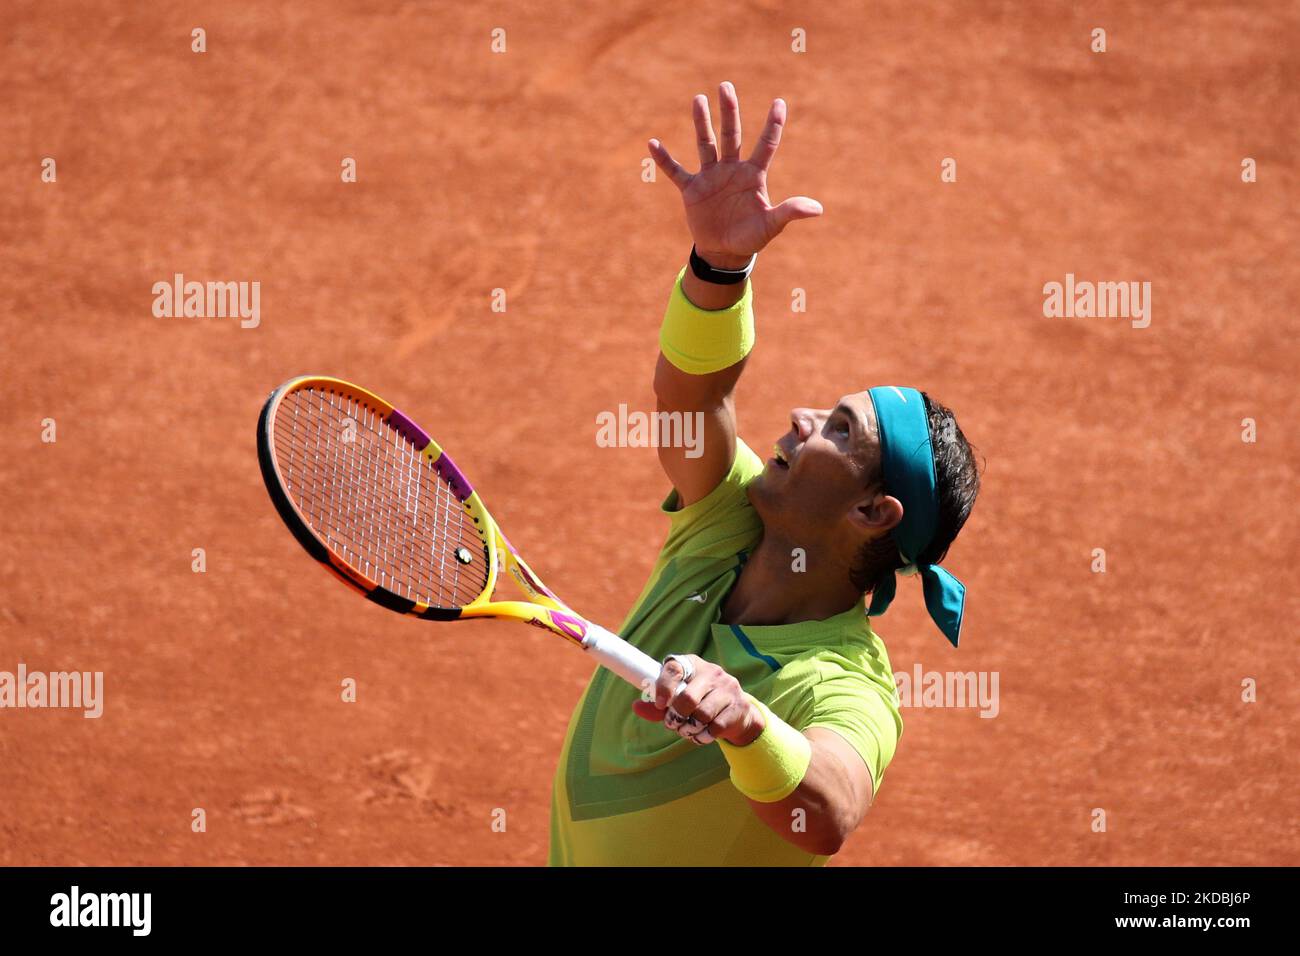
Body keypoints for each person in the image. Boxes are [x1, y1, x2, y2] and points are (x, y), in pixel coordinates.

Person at [548, 82, 980, 865]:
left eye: (841, 429)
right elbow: (692, 396)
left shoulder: (845, 686)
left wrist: (747, 725)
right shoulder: (727, 520)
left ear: (874, 513)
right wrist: (720, 265)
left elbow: (831, 811)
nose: (804, 417)